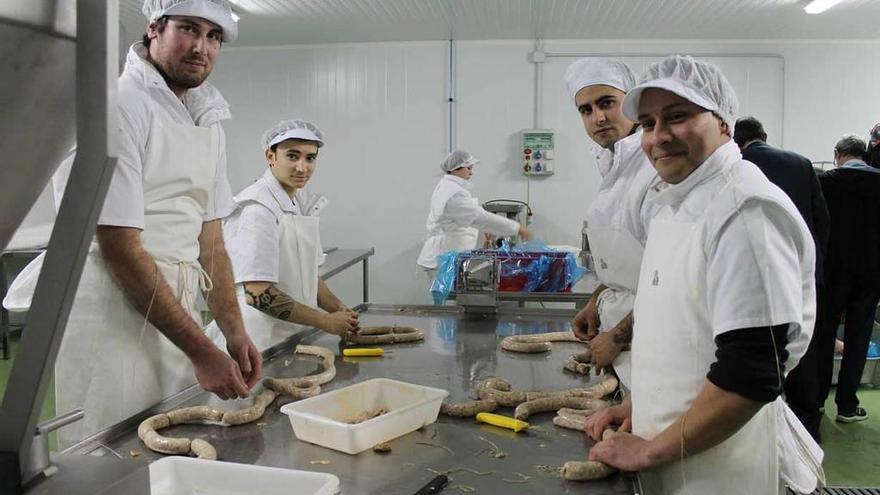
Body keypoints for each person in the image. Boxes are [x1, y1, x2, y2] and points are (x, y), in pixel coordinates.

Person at [586, 55, 823, 494]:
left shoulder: (744, 210)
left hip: (725, 469)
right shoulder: (675, 200)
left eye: (678, 117)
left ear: (724, 123)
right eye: (648, 123)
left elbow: (752, 371)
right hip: (677, 453)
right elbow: (680, 332)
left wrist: (649, 451)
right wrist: (639, 405)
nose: (659, 136)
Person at [52, 0, 261, 447]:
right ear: (154, 29)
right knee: (113, 452)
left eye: (214, 36)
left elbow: (212, 243)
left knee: (169, 441)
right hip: (113, 313)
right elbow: (120, 247)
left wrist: (233, 331)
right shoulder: (123, 104)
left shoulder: (207, 118)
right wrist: (203, 350)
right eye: (188, 29)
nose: (201, 47)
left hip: (173, 314)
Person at [218, 119, 359, 350]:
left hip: (289, 334)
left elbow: (308, 277)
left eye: (310, 158)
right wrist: (326, 321)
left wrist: (341, 311)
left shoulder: (296, 204)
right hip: (256, 339)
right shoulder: (258, 209)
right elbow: (258, 295)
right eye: (292, 156)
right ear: (270, 156)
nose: (302, 167)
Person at [564, 58, 659, 388]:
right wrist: (596, 300)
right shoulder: (611, 167)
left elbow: (671, 278)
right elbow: (631, 262)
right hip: (620, 335)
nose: (597, 117)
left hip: (652, 341)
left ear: (631, 103)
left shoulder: (654, 168)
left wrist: (618, 336)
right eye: (585, 110)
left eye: (607, 103)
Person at [734, 116, 830, 439]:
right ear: (764, 136)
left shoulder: (734, 165)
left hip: (747, 279)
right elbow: (821, 220)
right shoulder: (800, 164)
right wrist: (814, 268)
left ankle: (759, 433)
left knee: (753, 360)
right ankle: (807, 438)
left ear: (736, 140)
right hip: (800, 274)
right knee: (803, 359)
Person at [818, 134, 880, 423]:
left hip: (833, 270)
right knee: (858, 337)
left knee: (823, 334)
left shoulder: (825, 182)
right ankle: (846, 405)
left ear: (837, 154)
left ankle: (815, 399)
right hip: (871, 272)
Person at [416, 150, 531, 281]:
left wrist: (483, 226)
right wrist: (517, 229)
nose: (471, 172)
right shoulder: (454, 193)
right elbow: (478, 217)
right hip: (445, 256)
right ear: (455, 169)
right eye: (469, 168)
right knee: (446, 297)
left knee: (446, 297)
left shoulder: (448, 187)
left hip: (446, 255)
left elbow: (467, 216)